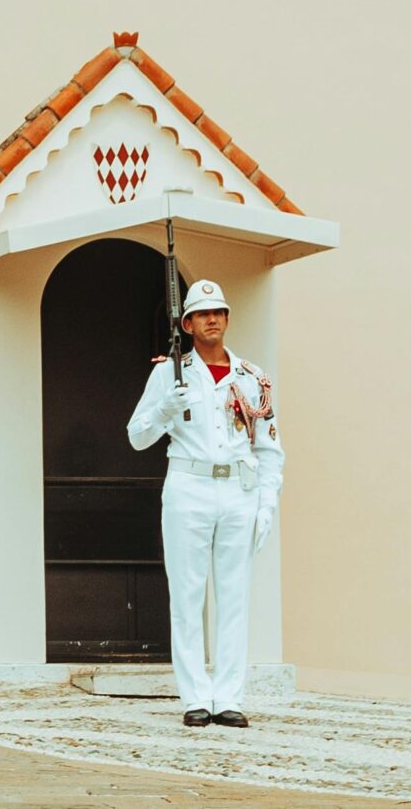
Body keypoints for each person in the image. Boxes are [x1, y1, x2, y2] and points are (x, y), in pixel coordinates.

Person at [126, 278, 284, 728]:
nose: (212, 319)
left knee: (234, 596)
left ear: (227, 320)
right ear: (187, 323)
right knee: (188, 594)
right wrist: (164, 411)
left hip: (238, 490)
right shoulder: (168, 373)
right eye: (202, 313)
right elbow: (137, 437)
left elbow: (269, 448)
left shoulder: (252, 379)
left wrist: (266, 503)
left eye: (219, 312)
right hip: (188, 488)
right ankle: (196, 697)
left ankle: (228, 697)